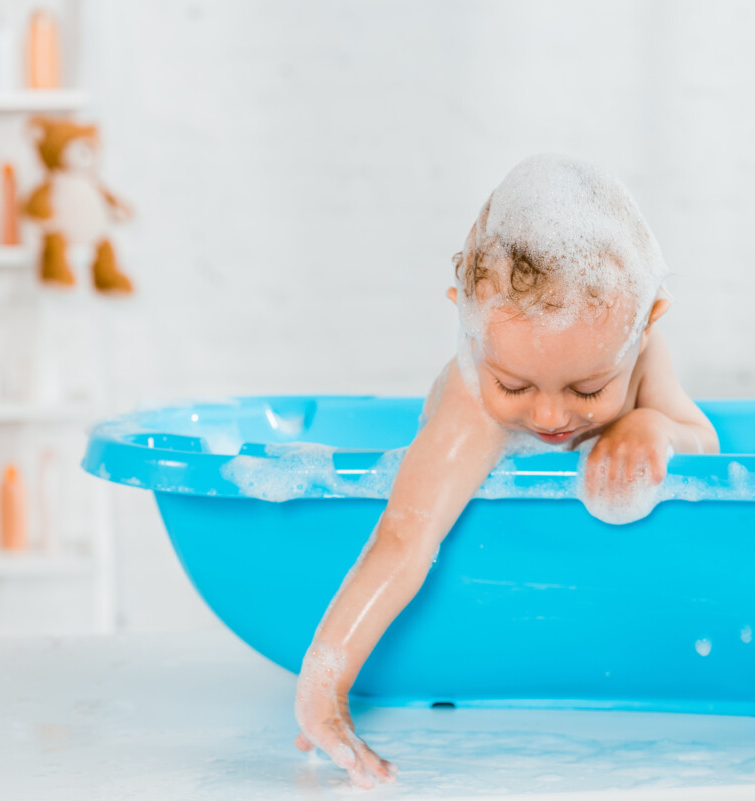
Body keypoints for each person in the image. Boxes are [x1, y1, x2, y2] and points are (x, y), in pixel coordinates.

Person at [292, 153, 720, 788]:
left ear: (644, 326)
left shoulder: (641, 352)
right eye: (513, 384)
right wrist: (322, 690)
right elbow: (404, 539)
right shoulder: (474, 407)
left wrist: (651, 426)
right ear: (468, 328)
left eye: (588, 388)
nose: (550, 414)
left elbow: (705, 447)